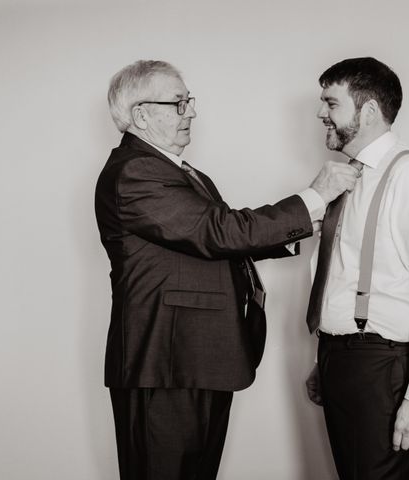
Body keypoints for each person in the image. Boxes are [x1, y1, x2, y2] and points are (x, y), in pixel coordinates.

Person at [94, 59, 359, 480]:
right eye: (179, 103)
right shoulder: (135, 171)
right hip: (165, 364)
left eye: (189, 102)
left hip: (195, 357)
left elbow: (215, 241)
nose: (192, 112)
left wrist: (303, 226)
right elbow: (218, 231)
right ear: (141, 114)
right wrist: (313, 196)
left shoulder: (178, 171)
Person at [305, 57, 409, 479]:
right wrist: (328, 359)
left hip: (382, 369)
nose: (321, 112)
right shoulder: (349, 178)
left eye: (331, 102)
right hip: (344, 359)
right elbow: (344, 273)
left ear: (369, 111)